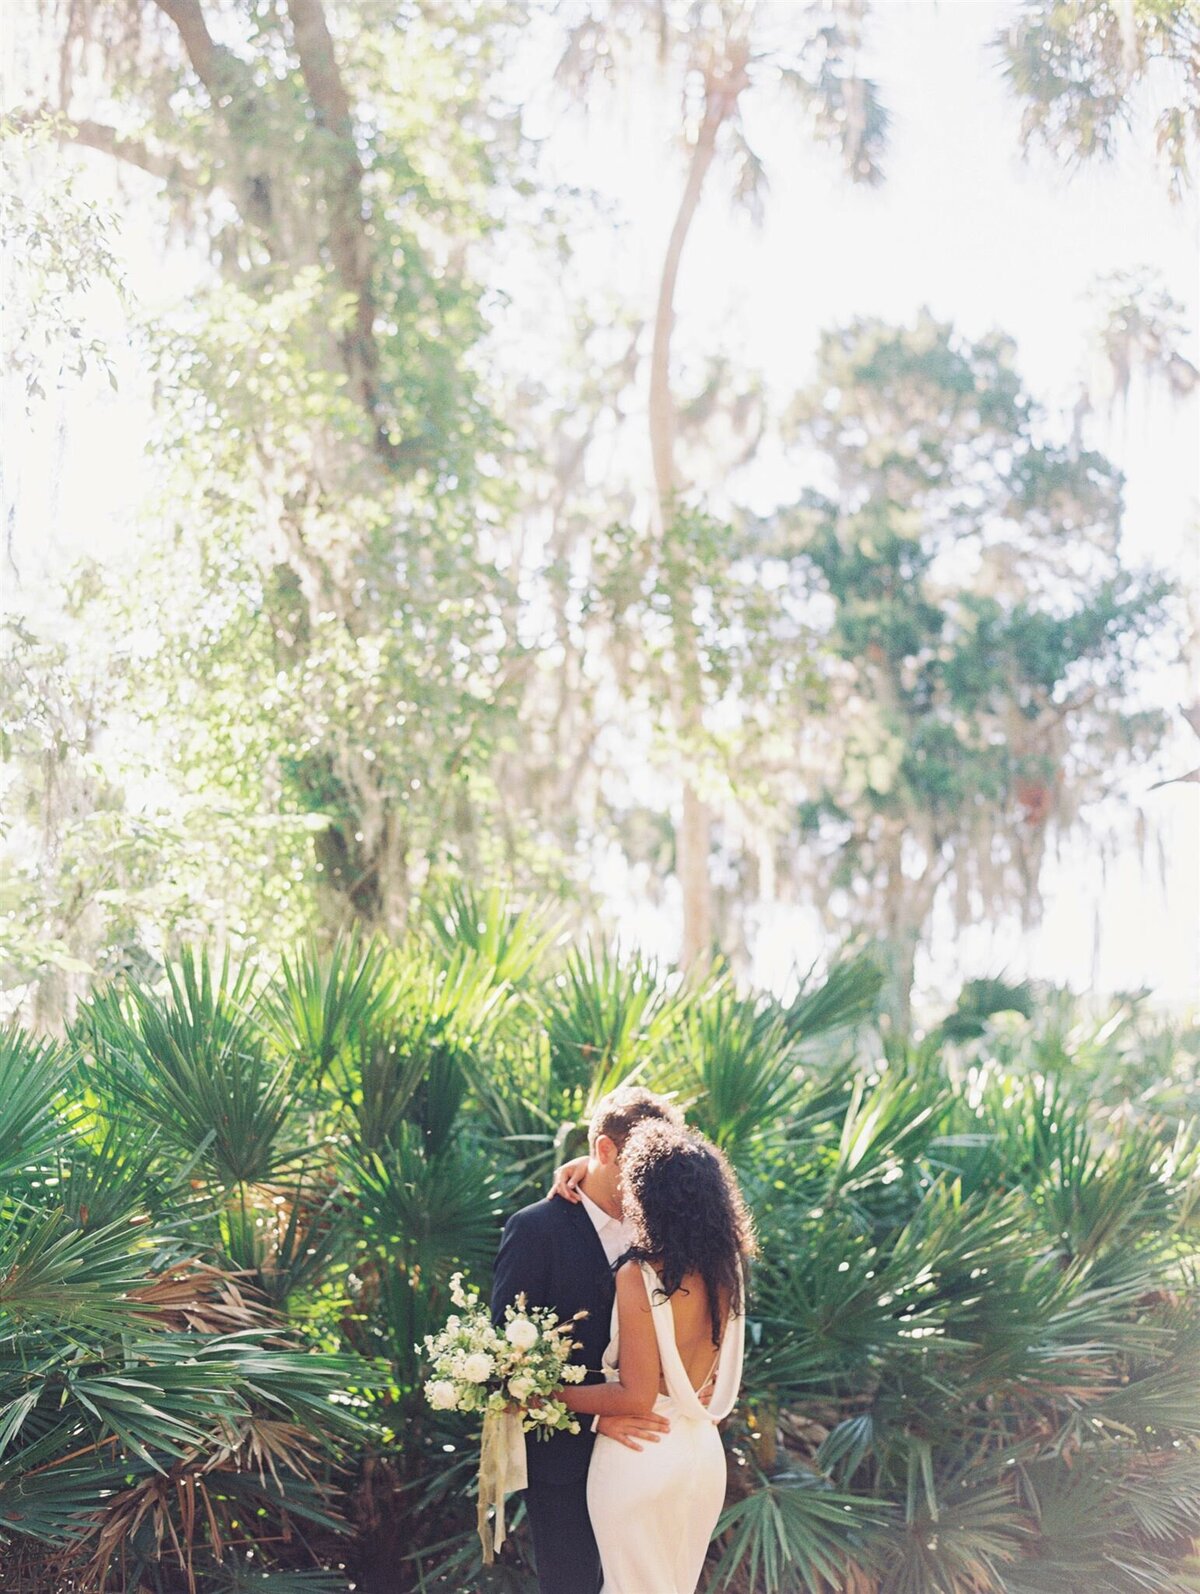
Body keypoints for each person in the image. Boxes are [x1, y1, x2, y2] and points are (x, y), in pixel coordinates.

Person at [491, 1086, 685, 1594]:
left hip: (652, 1453)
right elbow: (501, 1369)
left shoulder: (664, 1233)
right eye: (641, 1163)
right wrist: (600, 1416)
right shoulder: (535, 1230)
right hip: (564, 1462)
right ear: (603, 1150)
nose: (652, 1179)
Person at [556, 1119, 754, 1594]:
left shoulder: (640, 1274)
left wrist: (548, 1395)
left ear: (647, 1195)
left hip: (642, 1454)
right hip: (702, 1458)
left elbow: (636, 1396)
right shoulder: (728, 1269)